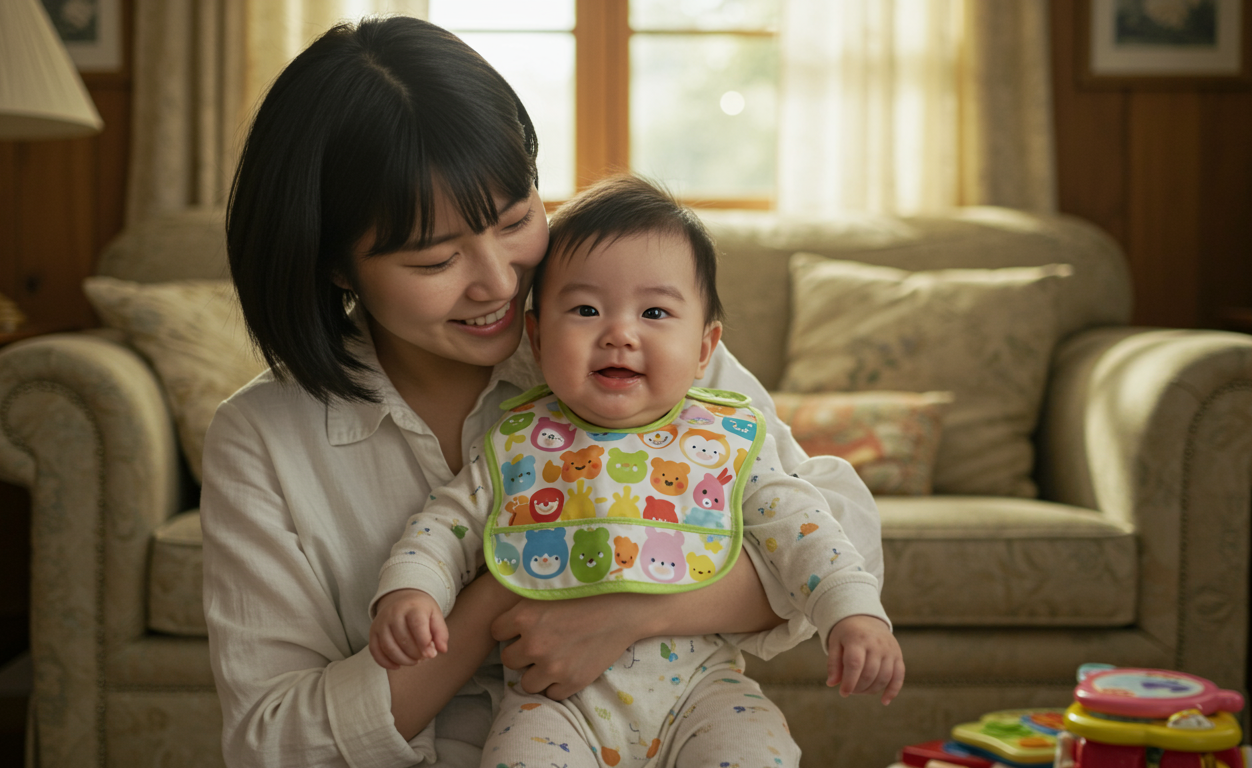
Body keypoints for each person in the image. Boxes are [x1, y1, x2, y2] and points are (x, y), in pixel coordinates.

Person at [204, 15, 886, 768]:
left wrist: (627, 611)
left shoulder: (618, 338)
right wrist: (500, 597)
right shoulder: (261, 438)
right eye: (435, 261)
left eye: (516, 219)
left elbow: (835, 525)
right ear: (337, 268)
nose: (499, 283)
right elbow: (272, 741)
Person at [367, 175, 903, 768]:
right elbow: (447, 524)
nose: (619, 333)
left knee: (759, 752)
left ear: (705, 349)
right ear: (538, 337)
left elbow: (807, 530)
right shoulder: (518, 441)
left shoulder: (724, 440)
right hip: (551, 704)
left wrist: (852, 613)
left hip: (703, 691)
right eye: (586, 309)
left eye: (654, 312)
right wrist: (410, 589)